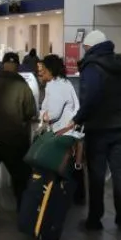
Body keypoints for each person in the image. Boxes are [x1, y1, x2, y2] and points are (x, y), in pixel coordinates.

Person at [64, 30, 121, 232]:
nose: (84, 51)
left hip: (99, 128)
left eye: (85, 47)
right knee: (120, 174)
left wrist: (78, 119)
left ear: (90, 47)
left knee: (96, 175)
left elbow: (91, 98)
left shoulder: (91, 67)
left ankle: (95, 220)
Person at [0, 52, 38, 210]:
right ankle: (23, 212)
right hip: (14, 141)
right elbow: (30, 111)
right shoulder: (23, 86)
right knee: (20, 178)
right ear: (17, 67)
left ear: (3, 65)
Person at [38, 54, 86, 205]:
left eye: (43, 70)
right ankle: (77, 195)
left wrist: (44, 116)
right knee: (74, 166)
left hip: (62, 132)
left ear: (51, 71)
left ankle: (55, 194)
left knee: (54, 164)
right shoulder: (65, 82)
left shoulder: (54, 86)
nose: (41, 73)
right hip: (72, 131)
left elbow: (52, 113)